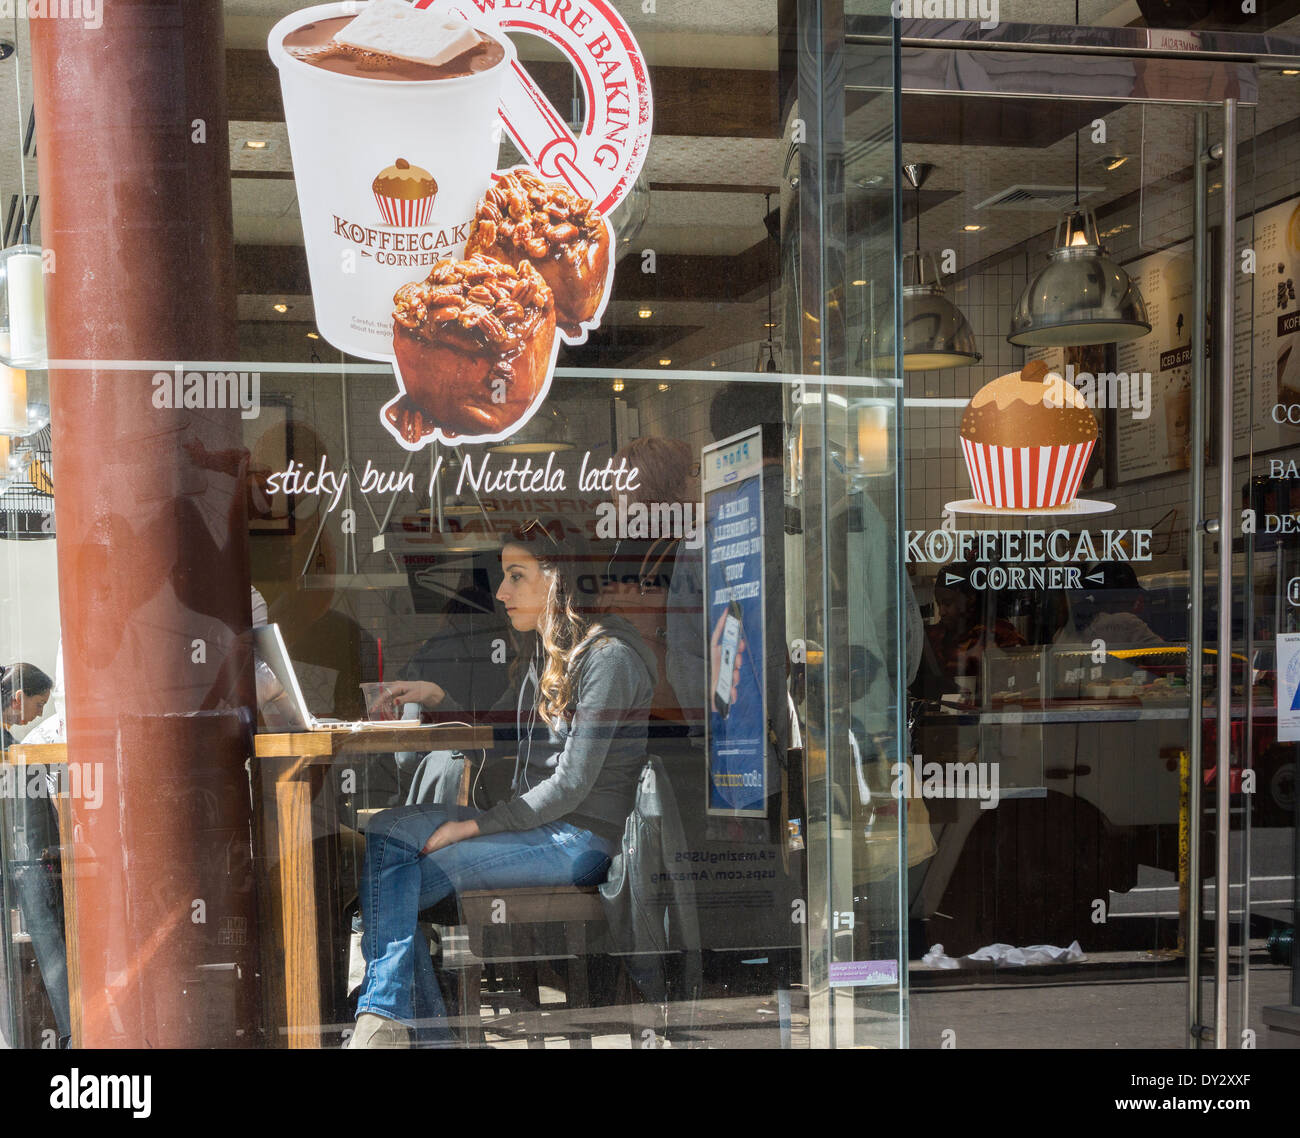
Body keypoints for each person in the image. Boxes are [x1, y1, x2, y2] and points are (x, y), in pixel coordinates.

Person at [347, 519, 656, 1048]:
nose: (501, 592)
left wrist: (473, 827)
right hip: (536, 827)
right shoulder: (546, 653)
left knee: (392, 888)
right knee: (388, 831)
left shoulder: (608, 660)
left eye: (516, 576)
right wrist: (435, 694)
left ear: (555, 583)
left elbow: (569, 787)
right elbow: (504, 731)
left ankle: (393, 1022)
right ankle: (390, 1017)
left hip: (577, 839)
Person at [0, 662, 69, 1045]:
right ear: (18, 699)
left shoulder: (13, 747)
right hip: (26, 861)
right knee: (52, 948)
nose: (40, 713)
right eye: (39, 703)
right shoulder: (13, 752)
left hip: (19, 859)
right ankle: (73, 1034)